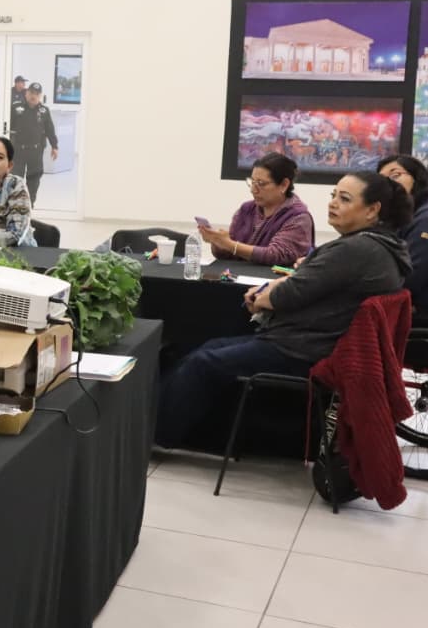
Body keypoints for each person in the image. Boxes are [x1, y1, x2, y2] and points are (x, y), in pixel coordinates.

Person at [155, 171, 411, 448]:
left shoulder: (356, 249)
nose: (333, 203)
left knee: (202, 363)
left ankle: (153, 436)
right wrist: (270, 291)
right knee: (206, 348)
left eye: (345, 199)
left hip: (302, 349)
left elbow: (289, 293)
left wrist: (265, 295)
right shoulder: (383, 247)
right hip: (312, 340)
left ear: (372, 210)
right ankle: (159, 425)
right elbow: (305, 282)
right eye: (333, 195)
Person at [201, 152, 314, 266]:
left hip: (276, 277)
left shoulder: (298, 217)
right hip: (239, 275)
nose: (253, 190)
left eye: (261, 183)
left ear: (284, 184)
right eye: (252, 182)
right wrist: (217, 242)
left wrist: (230, 245)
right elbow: (228, 254)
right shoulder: (246, 210)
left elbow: (276, 255)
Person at [378, 154, 428, 321]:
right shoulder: (403, 217)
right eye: (382, 180)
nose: (389, 183)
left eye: (395, 175)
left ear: (417, 178)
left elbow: (410, 276)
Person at [11, 82, 58, 204]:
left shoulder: (44, 111)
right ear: (26, 93)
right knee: (15, 179)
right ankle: (15, 205)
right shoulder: (16, 107)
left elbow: (50, 130)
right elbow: (7, 126)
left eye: (37, 94)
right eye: (31, 93)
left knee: (34, 180)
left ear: (40, 96)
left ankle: (30, 204)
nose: (33, 96)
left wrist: (54, 146)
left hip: (36, 151)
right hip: (18, 151)